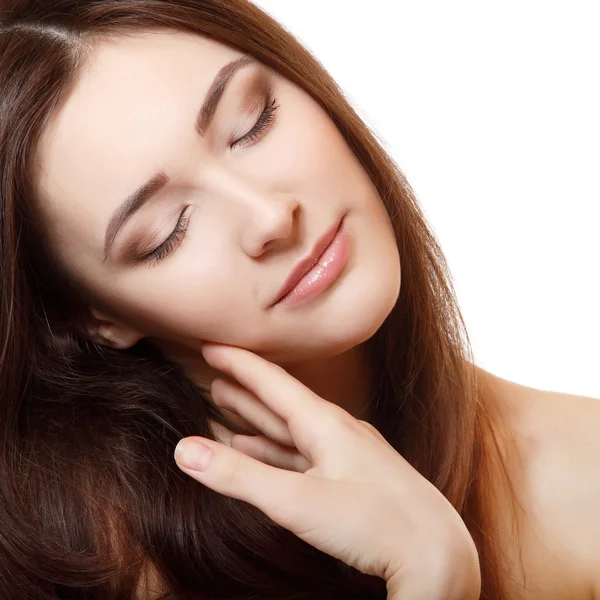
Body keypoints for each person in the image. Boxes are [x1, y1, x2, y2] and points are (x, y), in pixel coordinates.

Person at [0, 1, 598, 599]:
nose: (269, 216)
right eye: (167, 233)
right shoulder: (82, 565)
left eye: (253, 123)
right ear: (94, 316)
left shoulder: (580, 478)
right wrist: (434, 575)